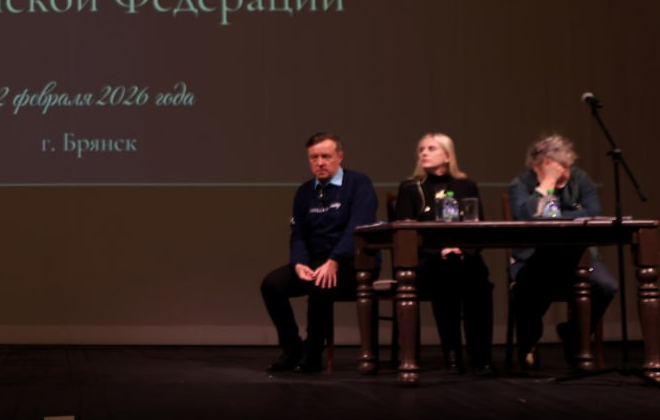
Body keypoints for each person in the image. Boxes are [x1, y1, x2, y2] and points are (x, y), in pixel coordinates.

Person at [261, 133, 378, 374]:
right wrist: (299, 263)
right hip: (316, 261)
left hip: (353, 261)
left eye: (326, 156)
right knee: (272, 285)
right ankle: (292, 348)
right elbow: (298, 235)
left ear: (340, 157)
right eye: (314, 157)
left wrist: (334, 260)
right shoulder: (305, 191)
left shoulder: (359, 183)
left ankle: (313, 353)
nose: (320, 162)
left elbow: (357, 228)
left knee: (321, 285)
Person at [508, 135, 616, 371]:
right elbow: (524, 215)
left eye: (569, 166)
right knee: (527, 287)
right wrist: (546, 184)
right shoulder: (521, 184)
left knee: (606, 286)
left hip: (577, 258)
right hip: (533, 258)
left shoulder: (579, 178)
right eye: (561, 167)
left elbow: (594, 212)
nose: (567, 172)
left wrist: (555, 217)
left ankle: (573, 335)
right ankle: (529, 342)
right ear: (544, 164)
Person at [392, 133, 494, 374]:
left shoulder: (467, 185)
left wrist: (463, 250)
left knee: (479, 281)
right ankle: (452, 354)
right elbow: (404, 232)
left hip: (464, 258)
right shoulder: (411, 188)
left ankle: (481, 356)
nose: (424, 153)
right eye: (421, 149)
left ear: (447, 156)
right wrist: (440, 250)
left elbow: (478, 226)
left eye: (431, 148)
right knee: (445, 277)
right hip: (428, 260)